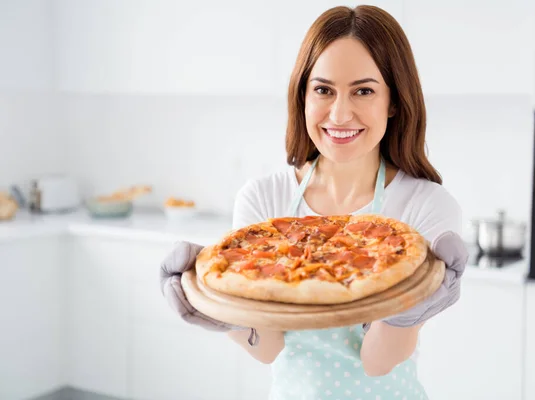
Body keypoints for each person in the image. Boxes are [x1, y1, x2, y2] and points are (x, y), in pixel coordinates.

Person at [160, 5, 468, 399]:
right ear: (302, 95)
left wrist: (407, 315)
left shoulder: (426, 206)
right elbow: (269, 348)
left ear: (393, 101)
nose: (340, 114)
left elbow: (377, 364)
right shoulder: (263, 199)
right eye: (323, 89)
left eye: (364, 90)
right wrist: (224, 317)